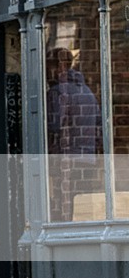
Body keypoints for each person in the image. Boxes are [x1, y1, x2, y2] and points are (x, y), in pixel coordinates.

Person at [45, 47, 101, 221]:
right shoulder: (87, 92)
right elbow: (99, 128)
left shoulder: (57, 93)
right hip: (88, 159)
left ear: (60, 66)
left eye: (48, 66)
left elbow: (54, 126)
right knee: (82, 208)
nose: (46, 71)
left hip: (65, 159)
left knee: (63, 209)